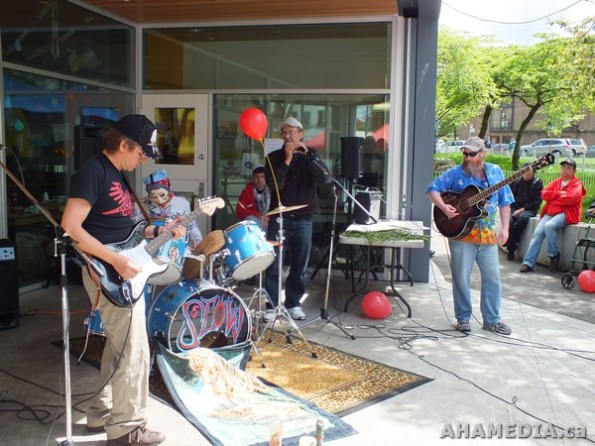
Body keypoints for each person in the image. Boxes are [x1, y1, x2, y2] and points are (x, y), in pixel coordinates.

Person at [61, 114, 185, 446]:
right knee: (136, 349)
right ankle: (127, 429)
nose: (144, 159)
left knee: (120, 347)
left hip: (124, 266)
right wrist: (115, 260)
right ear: (123, 145)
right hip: (109, 271)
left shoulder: (118, 176)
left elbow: (127, 230)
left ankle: (101, 413)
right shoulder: (93, 173)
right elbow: (71, 227)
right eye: (142, 152)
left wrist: (160, 230)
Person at [426, 136, 514, 335]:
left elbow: (505, 202)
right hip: (461, 234)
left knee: (493, 278)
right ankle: (463, 318)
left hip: (487, 235)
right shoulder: (455, 173)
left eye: (471, 154)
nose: (467, 158)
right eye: (464, 154)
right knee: (461, 278)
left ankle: (492, 321)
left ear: (483, 153)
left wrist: (505, 228)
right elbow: (432, 189)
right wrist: (444, 207)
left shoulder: (496, 172)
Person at [263, 117, 330, 321]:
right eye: (284, 132)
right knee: (274, 264)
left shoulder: (311, 156)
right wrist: (287, 159)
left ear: (301, 134)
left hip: (304, 219)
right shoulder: (273, 157)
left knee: (300, 264)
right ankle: (272, 305)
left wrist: (308, 156)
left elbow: (325, 178)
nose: (288, 136)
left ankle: (293, 303)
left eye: (292, 132)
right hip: (280, 218)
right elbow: (275, 185)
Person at [520, 158, 586, 273]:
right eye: (563, 167)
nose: (565, 170)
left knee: (549, 226)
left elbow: (571, 198)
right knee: (537, 233)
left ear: (574, 171)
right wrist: (559, 193)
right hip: (551, 212)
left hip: (567, 213)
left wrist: (553, 198)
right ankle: (528, 263)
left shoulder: (577, 184)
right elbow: (544, 194)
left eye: (568, 168)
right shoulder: (556, 182)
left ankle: (553, 255)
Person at [143, 168, 203, 248]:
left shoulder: (182, 203)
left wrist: (197, 240)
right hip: (150, 249)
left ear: (169, 188)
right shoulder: (142, 206)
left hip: (177, 249)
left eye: (162, 195)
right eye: (154, 197)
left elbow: (191, 226)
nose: (160, 200)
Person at [505, 162, 543, 261]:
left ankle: (511, 244)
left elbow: (537, 201)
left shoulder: (537, 183)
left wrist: (523, 209)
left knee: (521, 219)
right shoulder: (516, 182)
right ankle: (511, 249)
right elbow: (507, 194)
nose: (526, 173)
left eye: (529, 171)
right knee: (509, 222)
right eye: (524, 171)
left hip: (529, 209)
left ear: (533, 172)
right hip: (515, 207)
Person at [236, 164, 271, 231]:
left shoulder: (272, 190)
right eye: (257, 177)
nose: (259, 180)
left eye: (262, 176)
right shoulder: (246, 191)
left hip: (270, 222)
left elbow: (279, 210)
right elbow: (239, 210)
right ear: (253, 178)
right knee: (250, 219)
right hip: (254, 226)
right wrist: (257, 215)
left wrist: (268, 218)